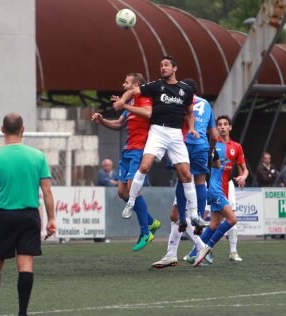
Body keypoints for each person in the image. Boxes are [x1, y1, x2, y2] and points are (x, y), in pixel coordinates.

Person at [0, 113, 56, 316]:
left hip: (5, 216)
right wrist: (51, 219)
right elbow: (47, 191)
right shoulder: (37, 156)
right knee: (25, 264)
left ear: (1, 130)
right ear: (23, 129)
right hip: (29, 217)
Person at [112, 55, 202, 250]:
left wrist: (192, 127)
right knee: (145, 166)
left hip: (175, 134)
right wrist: (122, 102)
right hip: (158, 131)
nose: (162, 67)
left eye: (166, 65)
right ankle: (131, 203)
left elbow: (190, 112)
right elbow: (133, 91)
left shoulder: (185, 89)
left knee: (186, 174)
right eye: (160, 65)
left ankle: (194, 214)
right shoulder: (156, 85)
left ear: (175, 68)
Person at [92, 73, 161, 251]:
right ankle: (151, 222)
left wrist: (125, 105)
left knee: (133, 189)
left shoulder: (145, 99)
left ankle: (145, 232)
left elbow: (148, 113)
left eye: (127, 82)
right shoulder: (129, 104)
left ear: (136, 85)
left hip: (141, 151)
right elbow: (118, 124)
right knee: (122, 192)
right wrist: (102, 120)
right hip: (128, 150)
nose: (123, 85)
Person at [152, 79, 217, 268]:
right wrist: (212, 150)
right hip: (202, 145)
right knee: (199, 180)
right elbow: (213, 134)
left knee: (176, 211)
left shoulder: (178, 99)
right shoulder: (205, 104)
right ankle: (178, 249)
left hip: (183, 145)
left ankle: (196, 242)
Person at [194, 115, 248, 267]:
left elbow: (244, 170)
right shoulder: (211, 146)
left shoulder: (236, 147)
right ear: (216, 128)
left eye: (225, 124)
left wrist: (243, 176)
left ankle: (193, 254)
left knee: (214, 225)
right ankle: (207, 248)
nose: (222, 127)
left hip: (227, 187)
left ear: (230, 127)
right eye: (219, 125)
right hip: (214, 188)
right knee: (231, 219)